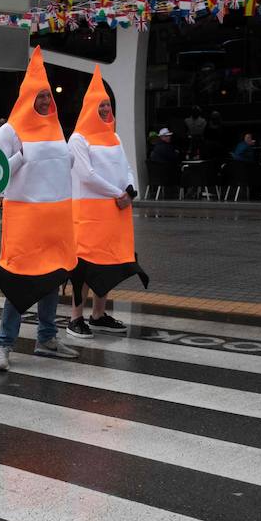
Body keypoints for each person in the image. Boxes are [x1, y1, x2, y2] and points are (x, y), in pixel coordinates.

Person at [0, 47, 79, 370]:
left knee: (52, 279)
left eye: (47, 97)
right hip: (25, 220)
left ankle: (47, 338)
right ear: (27, 98)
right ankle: (4, 344)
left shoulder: (55, 126)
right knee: (19, 282)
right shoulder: (10, 130)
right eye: (39, 97)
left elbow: (64, 164)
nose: (45, 102)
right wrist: (21, 156)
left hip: (55, 220)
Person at [67, 68, 147, 340]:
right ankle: (75, 317)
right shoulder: (78, 138)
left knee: (108, 263)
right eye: (100, 105)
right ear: (89, 108)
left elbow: (126, 167)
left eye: (107, 105)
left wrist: (130, 191)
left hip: (116, 212)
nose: (104, 109)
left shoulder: (115, 136)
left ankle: (99, 314)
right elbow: (86, 175)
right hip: (88, 214)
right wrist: (119, 194)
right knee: (84, 266)